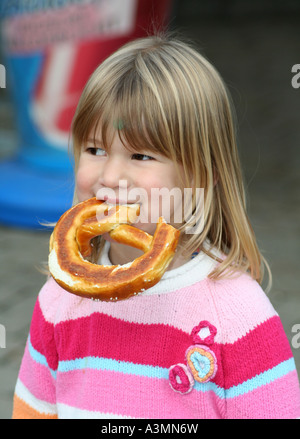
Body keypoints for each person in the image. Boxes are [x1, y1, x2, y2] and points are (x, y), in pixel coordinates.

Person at [12, 34, 300, 419]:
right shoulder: (60, 301)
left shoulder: (238, 317)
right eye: (95, 149)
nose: (111, 175)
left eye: (141, 155)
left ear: (201, 175)